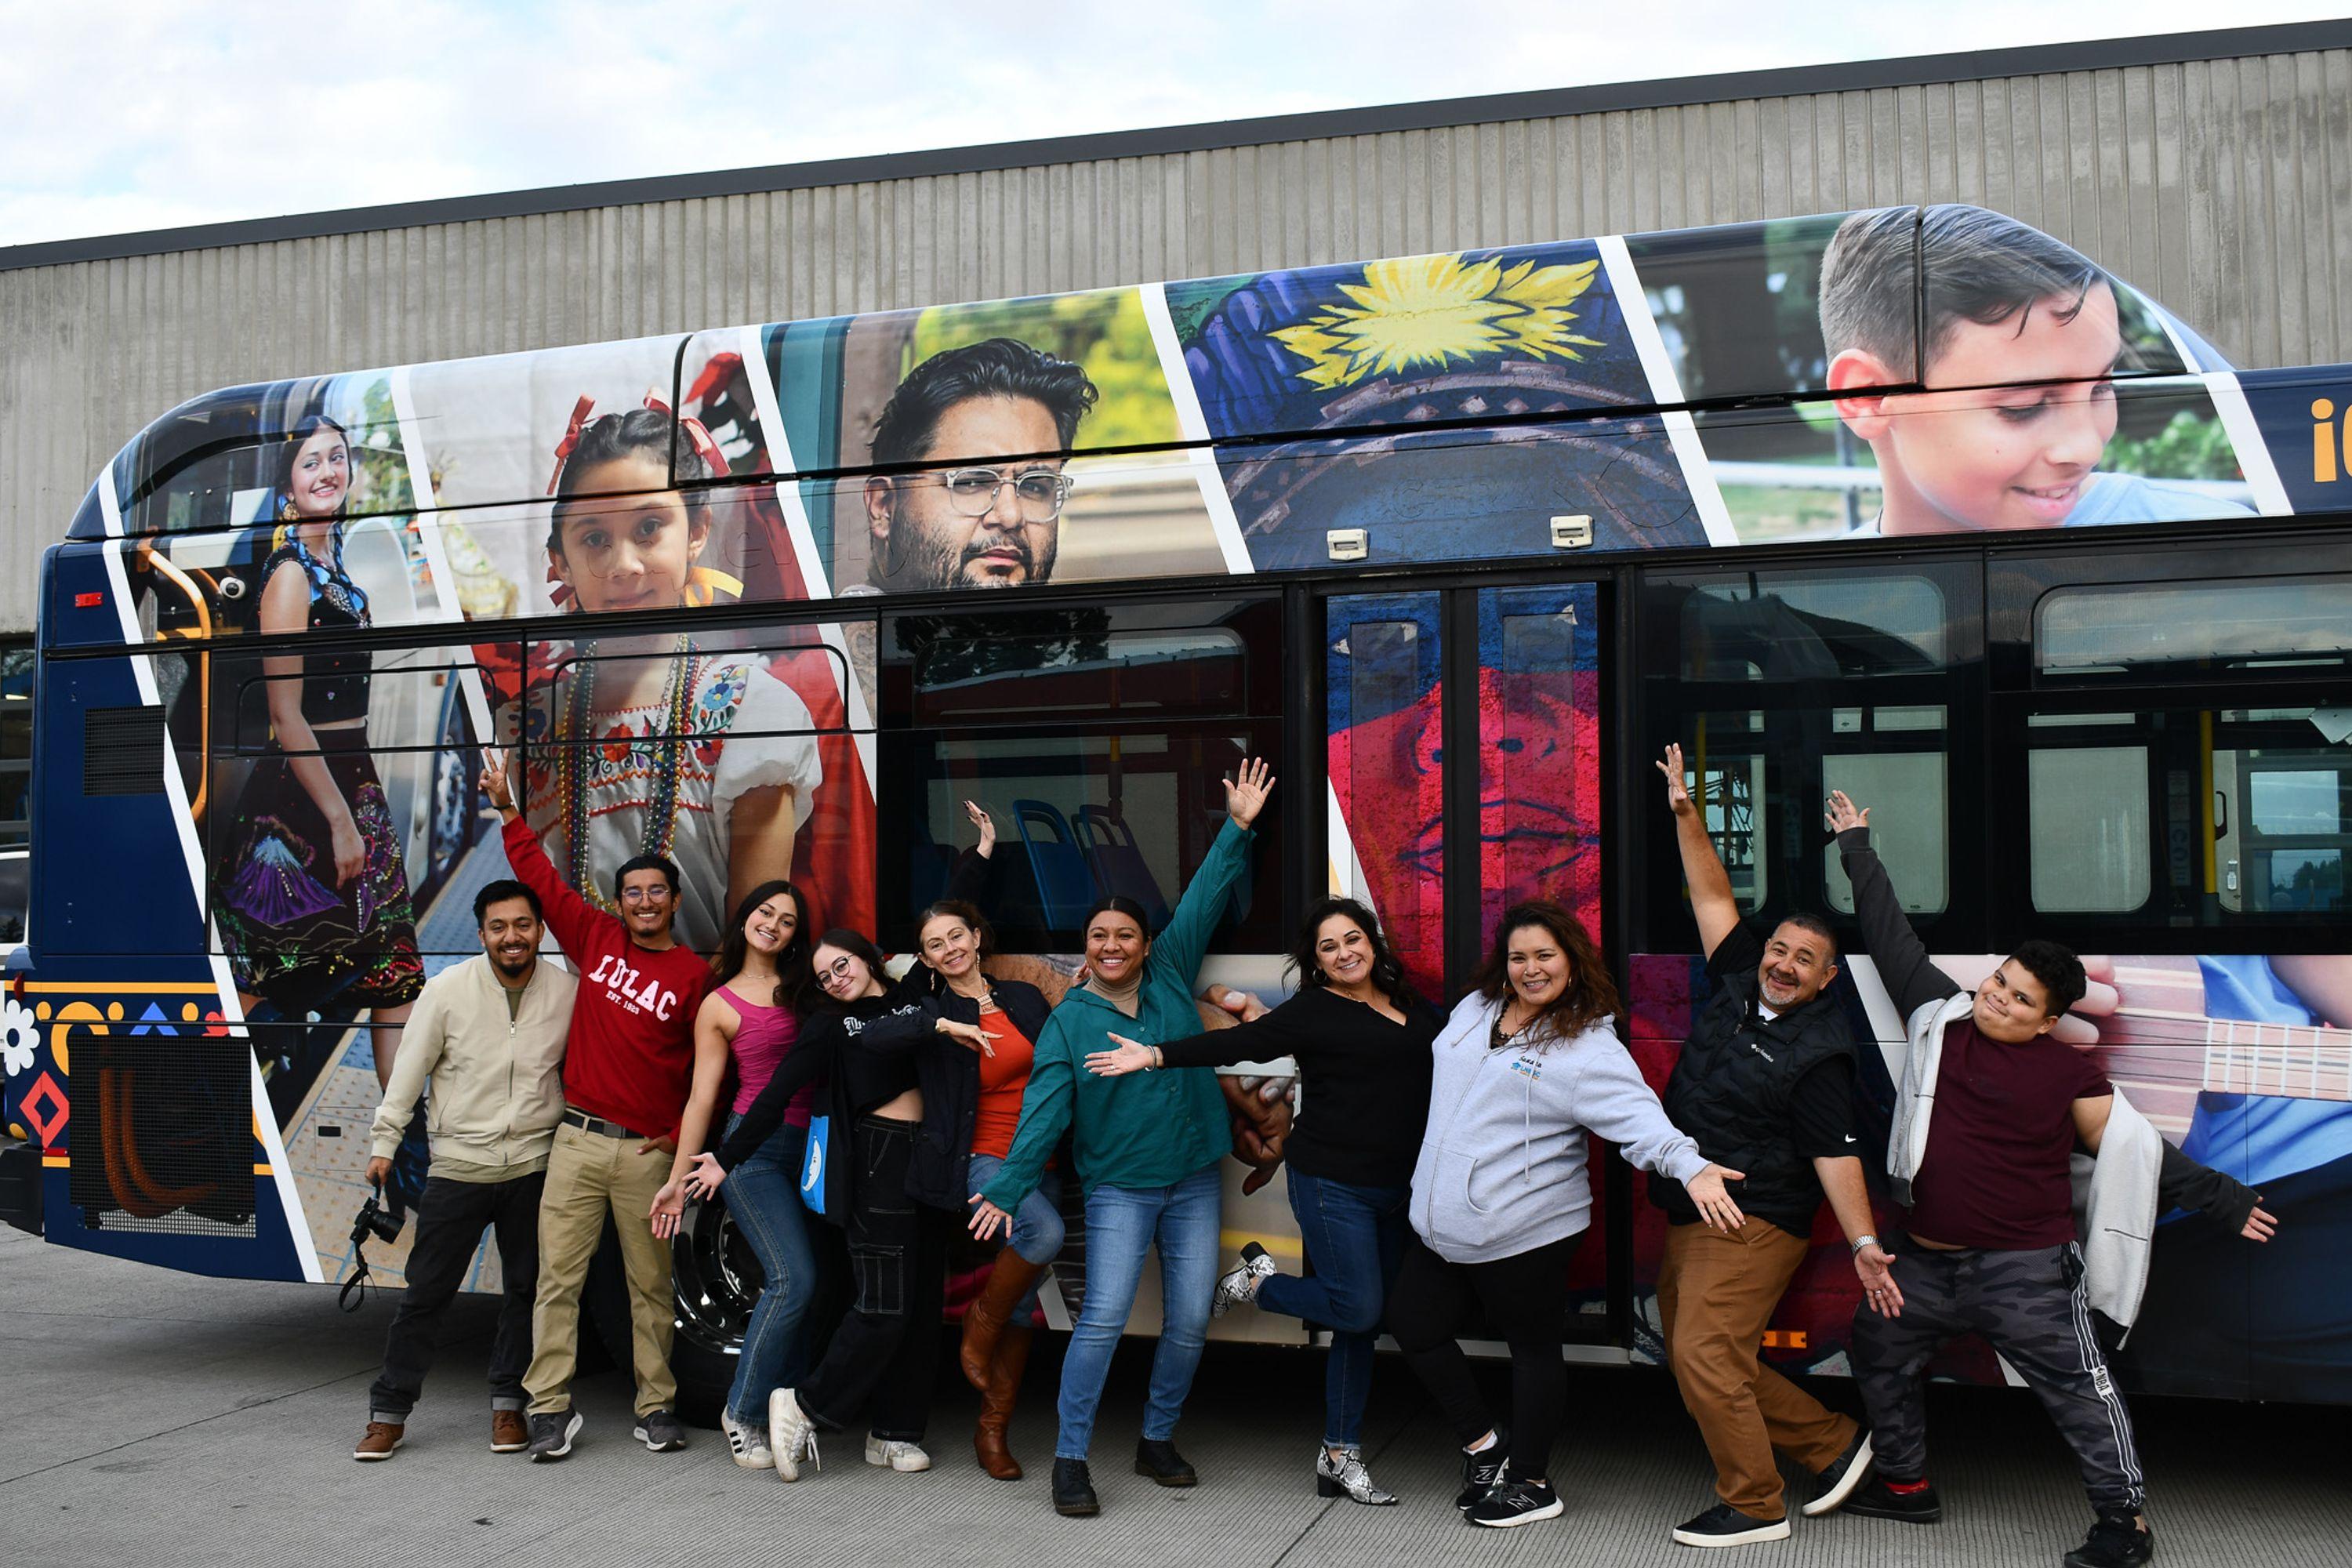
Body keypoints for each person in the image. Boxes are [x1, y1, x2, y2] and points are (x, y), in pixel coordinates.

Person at [1824, 789, 2278, 1568]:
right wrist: (1857, 846)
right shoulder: (1939, 1017)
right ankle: (1904, 1481)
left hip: (2023, 1271)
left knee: (2082, 1391)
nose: (1996, 998)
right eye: (1999, 981)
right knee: (1876, 1346)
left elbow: (2139, 1150)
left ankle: (2124, 1523)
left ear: (2047, 1017)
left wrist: (2222, 1198)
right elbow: (1890, 935)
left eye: (2019, 997)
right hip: (1922, 1263)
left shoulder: (2069, 1071)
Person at [967, 757, 1276, 1518]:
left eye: (1125, 934)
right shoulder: (1071, 1019)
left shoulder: (1172, 970)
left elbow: (1205, 895)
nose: (1111, 945)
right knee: (1103, 1317)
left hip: (1194, 1176)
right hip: (1120, 1186)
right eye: (1099, 934)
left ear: (1145, 942)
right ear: (1088, 943)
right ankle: (1071, 1458)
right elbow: (1042, 1113)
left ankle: (1156, 1437)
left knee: (1190, 1318)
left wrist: (1237, 825)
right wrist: (1006, 1187)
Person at [1388, 898, 1744, 1531]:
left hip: (1525, 1228)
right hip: (1442, 1223)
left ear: (1572, 962)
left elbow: (1641, 1122)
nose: (1530, 969)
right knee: (1414, 1326)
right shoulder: (1476, 1010)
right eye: (1518, 956)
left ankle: (1530, 1482)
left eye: (1544, 956)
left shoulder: (1586, 1048)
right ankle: (1485, 1449)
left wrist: (1689, 1165)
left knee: (1532, 1352)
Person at [1086, 896, 1439, 1505]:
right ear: (1317, 963)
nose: (1344, 953)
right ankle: (1259, 1282)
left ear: (1372, 942)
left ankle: (1339, 1455)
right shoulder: (1312, 1011)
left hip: (1397, 1185)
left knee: (1362, 1323)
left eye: (1352, 939)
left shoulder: (1410, 1003)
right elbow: (1234, 1045)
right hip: (1332, 1184)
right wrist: (1157, 1054)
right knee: (1358, 1308)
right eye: (1328, 947)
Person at [1649, 743, 1883, 1548]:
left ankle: (1752, 1501)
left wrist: (1864, 1242)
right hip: (1696, 1199)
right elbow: (1713, 893)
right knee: (1695, 1354)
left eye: (1803, 959)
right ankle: (1834, 1442)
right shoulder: (1743, 975)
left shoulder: (1820, 1051)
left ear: (1826, 980)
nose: (1782, 964)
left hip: (1755, 1216)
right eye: (1780, 948)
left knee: (1705, 1350)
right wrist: (1687, 814)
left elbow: (1836, 1157)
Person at [670, 931, 991, 1481]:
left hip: (931, 1161)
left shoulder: (910, 995)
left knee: (918, 1309)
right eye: (824, 976)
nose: (836, 978)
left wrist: (983, 848)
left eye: (842, 965)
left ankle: (894, 1434)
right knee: (884, 1305)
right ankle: (804, 1405)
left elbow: (943, 921)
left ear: (869, 958)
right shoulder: (835, 1024)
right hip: (875, 1162)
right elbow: (777, 1092)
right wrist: (726, 1158)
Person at [503, 402, 823, 953]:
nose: (624, 565)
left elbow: (755, 951)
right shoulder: (525, 725)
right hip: (571, 1030)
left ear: (697, 531)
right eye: (594, 539)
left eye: (649, 528)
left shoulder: (756, 710)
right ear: (560, 560)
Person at [479, 746, 711, 1462]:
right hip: (576, 1142)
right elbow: (541, 882)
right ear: (620, 902)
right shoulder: (596, 938)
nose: (644, 902)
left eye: (656, 892)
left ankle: (657, 1408)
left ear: (674, 901)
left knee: (652, 1286)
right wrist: (510, 811)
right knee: (558, 1282)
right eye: (633, 892)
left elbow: (712, 1072)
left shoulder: (697, 976)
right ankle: (548, 1407)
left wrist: (676, 1137)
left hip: (648, 1153)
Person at [1820, 204, 2254, 536]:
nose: (2086, 449)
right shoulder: (1806, 606)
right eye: (2024, 406)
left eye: (2102, 387)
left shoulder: (2211, 544)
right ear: (1868, 397)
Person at [214, 413, 423, 1085]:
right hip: (301, 801)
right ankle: (217, 1125)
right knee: (272, 976)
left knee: (396, 976)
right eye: (311, 462)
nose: (328, 471)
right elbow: (285, 713)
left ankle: (394, 1150)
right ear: (288, 485)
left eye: (337, 457)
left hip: (350, 778)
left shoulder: (332, 563)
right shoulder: (289, 576)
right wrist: (339, 822)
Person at [351, 879, 575, 1461]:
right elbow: (409, 1070)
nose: (512, 937)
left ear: (540, 931)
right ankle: (388, 1413)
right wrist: (385, 1141)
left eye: (522, 925)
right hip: (458, 1167)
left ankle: (509, 1407)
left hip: (532, 1164)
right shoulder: (448, 989)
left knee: (525, 1290)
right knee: (427, 1293)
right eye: (498, 927)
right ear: (481, 935)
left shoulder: (566, 992)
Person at [890, 804, 1060, 1481]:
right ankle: (976, 1329)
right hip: (981, 1158)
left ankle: (993, 1430)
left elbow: (1058, 1077)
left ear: (976, 936)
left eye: (957, 935)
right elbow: (886, 1021)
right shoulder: (930, 1011)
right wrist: (975, 862)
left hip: (1039, 1155)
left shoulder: (1023, 998)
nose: (950, 948)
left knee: (1027, 1302)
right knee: (1041, 1238)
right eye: (935, 945)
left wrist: (987, 851)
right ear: (926, 960)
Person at [644, 877, 816, 1470]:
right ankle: (740, 1412)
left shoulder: (807, 986)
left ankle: (786, 1410)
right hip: (754, 1155)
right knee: (791, 1280)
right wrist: (677, 1177)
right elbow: (702, 1098)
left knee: (817, 1287)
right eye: (765, 912)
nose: (773, 924)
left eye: (788, 919)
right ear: (746, 917)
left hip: (818, 1154)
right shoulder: (720, 1003)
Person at [855, 337, 1098, 595]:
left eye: (1035, 487)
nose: (1010, 516)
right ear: (883, 507)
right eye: (971, 482)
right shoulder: (830, 635)